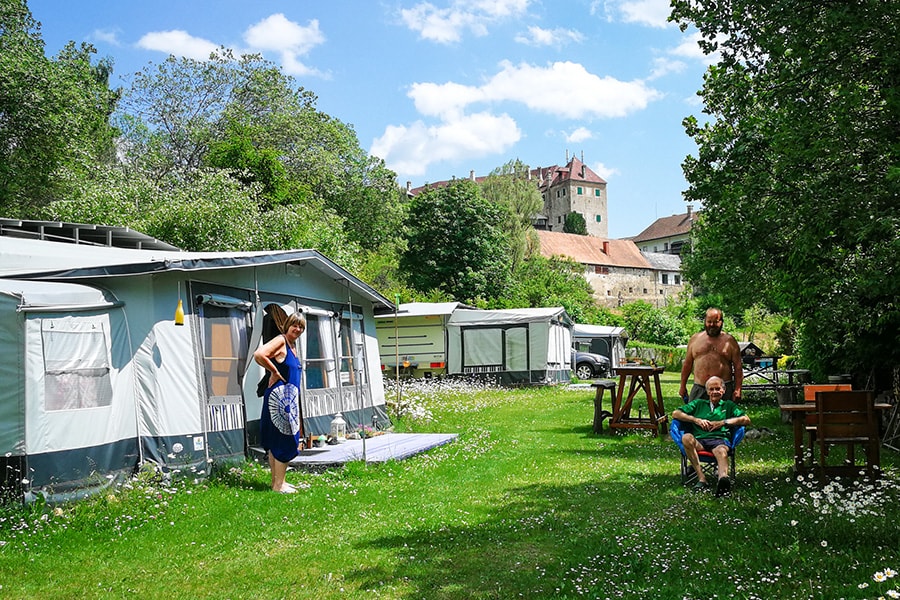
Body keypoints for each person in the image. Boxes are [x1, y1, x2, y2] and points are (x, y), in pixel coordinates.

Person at [253, 311, 306, 493]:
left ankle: (277, 483)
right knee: (284, 439)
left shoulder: (292, 345)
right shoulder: (281, 340)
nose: (298, 329)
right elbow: (259, 354)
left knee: (277, 440)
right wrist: (274, 371)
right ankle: (279, 484)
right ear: (287, 325)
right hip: (280, 401)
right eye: (295, 325)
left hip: (287, 400)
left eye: (301, 327)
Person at [673, 376, 751, 496]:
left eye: (717, 388)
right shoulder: (699, 403)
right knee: (686, 438)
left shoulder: (728, 405)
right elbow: (676, 413)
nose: (714, 392)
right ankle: (701, 479)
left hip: (719, 440)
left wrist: (723, 422)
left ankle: (723, 480)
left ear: (723, 390)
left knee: (721, 450)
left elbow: (746, 419)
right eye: (711, 389)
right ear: (707, 391)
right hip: (700, 442)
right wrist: (696, 420)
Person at [679, 307, 743, 403]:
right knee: (694, 416)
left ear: (721, 322)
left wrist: (738, 389)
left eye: (716, 322)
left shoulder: (729, 341)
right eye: (709, 321)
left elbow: (738, 367)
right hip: (699, 389)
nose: (712, 325)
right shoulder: (695, 339)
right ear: (705, 321)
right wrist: (682, 386)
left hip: (723, 390)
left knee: (723, 417)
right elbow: (687, 365)